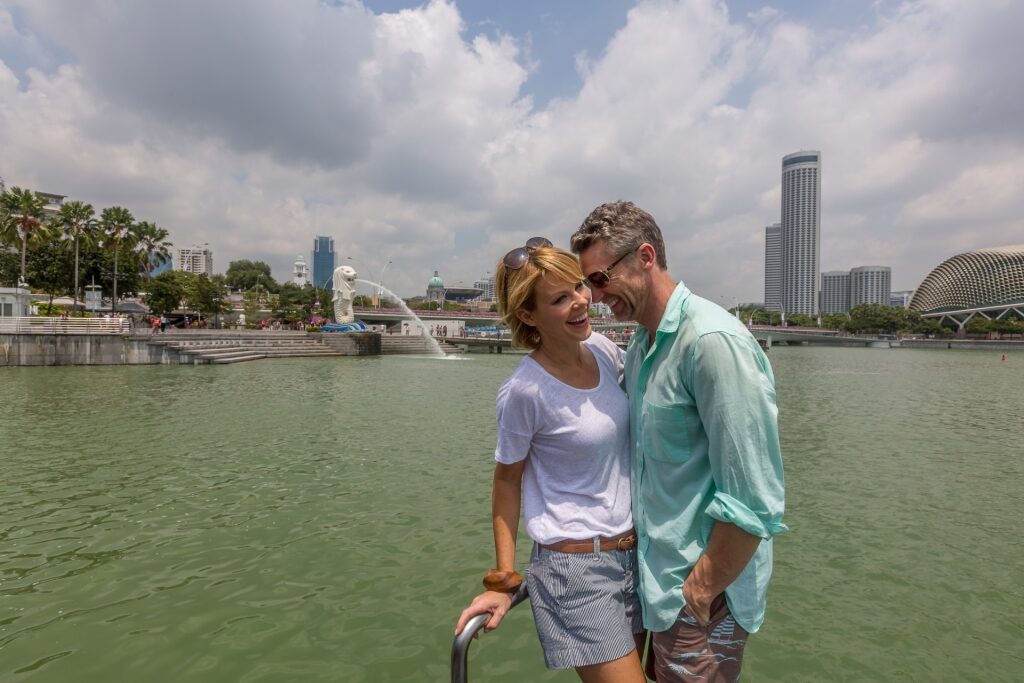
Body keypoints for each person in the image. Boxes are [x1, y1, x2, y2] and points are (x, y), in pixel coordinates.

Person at [570, 202, 787, 683]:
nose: (594, 295)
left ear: (645, 256)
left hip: (702, 600)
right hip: (657, 586)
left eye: (601, 279)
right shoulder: (641, 345)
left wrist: (702, 590)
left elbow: (756, 497)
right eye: (588, 283)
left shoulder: (711, 342)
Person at [455, 238, 646, 683]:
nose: (582, 302)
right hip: (575, 570)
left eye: (579, 287)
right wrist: (503, 581)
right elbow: (506, 482)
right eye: (561, 298)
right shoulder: (525, 391)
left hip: (633, 556)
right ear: (527, 315)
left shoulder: (602, 348)